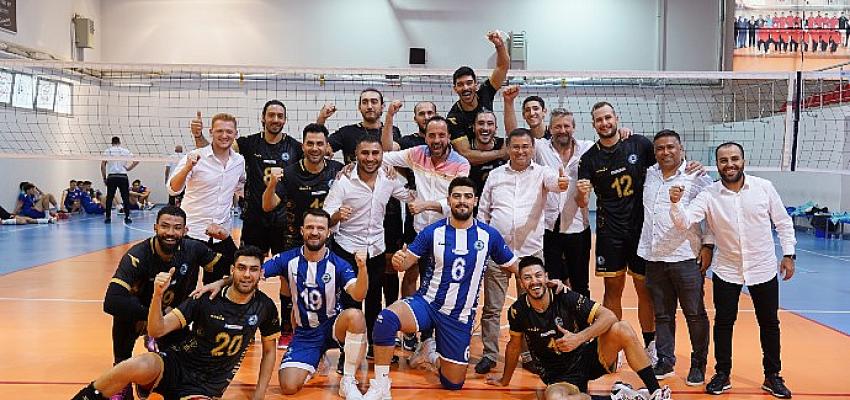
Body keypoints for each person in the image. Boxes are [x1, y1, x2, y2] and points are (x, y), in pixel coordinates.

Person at [362, 177, 518, 399]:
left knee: (452, 383)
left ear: (475, 201)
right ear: (449, 200)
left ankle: (431, 354)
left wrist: (544, 279)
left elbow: (514, 266)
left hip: (459, 315)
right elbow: (405, 263)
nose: (462, 201)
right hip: (427, 303)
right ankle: (381, 384)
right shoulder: (432, 232)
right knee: (386, 319)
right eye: (457, 196)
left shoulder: (489, 235)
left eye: (467, 196)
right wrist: (398, 260)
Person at [670, 142, 795, 398]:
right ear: (717, 164)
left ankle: (772, 376)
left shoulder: (763, 188)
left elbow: (783, 222)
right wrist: (675, 203)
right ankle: (722, 373)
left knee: (769, 323)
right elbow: (685, 221)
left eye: (734, 159)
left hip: (762, 267)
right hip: (727, 269)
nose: (730, 164)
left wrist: (789, 254)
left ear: (743, 161)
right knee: (724, 323)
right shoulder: (709, 194)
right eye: (724, 160)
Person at [71, 246, 279, 400]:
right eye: (241, 268)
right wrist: (157, 295)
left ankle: (151, 389)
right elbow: (156, 330)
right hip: (175, 364)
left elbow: (270, 351)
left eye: (253, 269)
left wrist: (259, 394)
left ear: (261, 273)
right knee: (135, 364)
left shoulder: (265, 307)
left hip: (206, 386)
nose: (247, 274)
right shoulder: (206, 298)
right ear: (232, 270)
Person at [485, 257, 672, 400]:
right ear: (521, 283)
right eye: (527, 277)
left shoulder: (563, 295)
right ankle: (616, 397)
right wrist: (504, 380)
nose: (534, 281)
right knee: (555, 399)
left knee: (622, 328)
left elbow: (609, 316)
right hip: (558, 376)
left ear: (546, 277)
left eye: (538, 275)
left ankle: (656, 392)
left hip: (587, 359)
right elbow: (514, 346)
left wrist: (578, 338)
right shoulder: (518, 311)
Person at [101, 205, 235, 399]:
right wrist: (154, 315)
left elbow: (233, 266)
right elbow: (111, 301)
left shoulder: (193, 248)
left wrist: (226, 239)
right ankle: (122, 375)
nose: (170, 233)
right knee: (122, 315)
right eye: (165, 226)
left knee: (180, 365)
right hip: (140, 315)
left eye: (177, 228)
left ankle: (150, 380)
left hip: (172, 319)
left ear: (185, 230)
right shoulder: (137, 255)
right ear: (155, 227)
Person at [476, 128, 568, 374]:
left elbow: (555, 183)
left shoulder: (543, 173)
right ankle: (489, 355)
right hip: (498, 253)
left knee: (532, 307)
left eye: (525, 146)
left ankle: (530, 355)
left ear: (532, 148)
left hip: (530, 254)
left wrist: (561, 184)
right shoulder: (495, 176)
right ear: (508, 148)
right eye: (515, 146)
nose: (520, 151)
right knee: (492, 308)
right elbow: (483, 211)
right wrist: (484, 245)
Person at [324, 134, 418, 366]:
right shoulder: (343, 181)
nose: (370, 158)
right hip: (347, 249)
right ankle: (347, 355)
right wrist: (337, 215)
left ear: (382, 156)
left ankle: (376, 349)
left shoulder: (388, 178)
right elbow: (326, 216)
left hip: (375, 249)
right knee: (351, 305)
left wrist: (417, 176)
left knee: (375, 302)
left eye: (375, 153)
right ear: (356, 155)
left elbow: (411, 196)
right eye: (365, 153)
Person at [263, 209, 371, 399]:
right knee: (288, 386)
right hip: (306, 334)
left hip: (333, 327)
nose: (315, 232)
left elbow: (359, 294)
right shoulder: (288, 259)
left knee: (355, 316)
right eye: (310, 227)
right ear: (302, 230)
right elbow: (255, 273)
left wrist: (362, 268)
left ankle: (348, 380)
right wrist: (222, 283)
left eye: (320, 228)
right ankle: (316, 359)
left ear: (328, 232)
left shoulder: (339, 264)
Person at [638, 130, 713, 386]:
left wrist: (708, 245)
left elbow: (711, 214)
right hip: (655, 256)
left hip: (686, 256)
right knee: (662, 315)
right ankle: (665, 360)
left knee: (695, 314)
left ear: (681, 149)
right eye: (660, 148)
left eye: (671, 147)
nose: (666, 152)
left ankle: (698, 364)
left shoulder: (697, 176)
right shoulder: (649, 174)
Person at [262, 123, 344, 348]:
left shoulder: (338, 170)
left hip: (326, 238)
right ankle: (287, 330)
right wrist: (272, 184)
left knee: (326, 284)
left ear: (327, 146)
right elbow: (268, 206)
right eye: (310, 143)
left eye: (320, 144)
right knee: (288, 284)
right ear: (303, 146)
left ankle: (325, 331)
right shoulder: (290, 173)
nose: (315, 148)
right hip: (294, 237)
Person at [190, 101, 304, 256]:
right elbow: (214, 151)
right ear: (263, 118)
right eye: (271, 115)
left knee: (286, 266)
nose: (276, 119)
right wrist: (198, 136)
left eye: (280, 116)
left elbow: (316, 153)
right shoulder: (249, 143)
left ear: (285, 120)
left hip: (284, 221)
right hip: (254, 219)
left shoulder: (295, 147)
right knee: (250, 263)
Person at [169, 112, 246, 282]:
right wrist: (187, 168)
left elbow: (240, 187)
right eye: (219, 131)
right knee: (184, 284)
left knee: (216, 285)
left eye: (229, 131)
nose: (224, 135)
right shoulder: (195, 156)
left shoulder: (239, 162)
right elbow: (173, 189)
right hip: (192, 232)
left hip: (219, 234)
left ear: (235, 134)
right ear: (211, 132)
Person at [534, 108, 595, 299]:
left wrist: (624, 133)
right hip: (548, 228)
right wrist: (508, 102)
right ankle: (556, 317)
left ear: (573, 128)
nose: (562, 130)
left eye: (566, 126)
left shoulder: (588, 148)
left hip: (578, 226)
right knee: (553, 282)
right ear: (550, 129)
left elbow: (611, 144)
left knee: (580, 283)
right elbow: (515, 136)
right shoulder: (540, 148)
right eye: (557, 127)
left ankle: (582, 317)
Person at [448, 31, 510, 165]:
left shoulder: (485, 92)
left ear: (476, 85)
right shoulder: (454, 118)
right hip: (471, 166)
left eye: (469, 83)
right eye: (460, 85)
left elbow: (502, 66)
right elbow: (466, 155)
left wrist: (499, 45)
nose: (465, 88)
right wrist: (500, 153)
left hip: (490, 151)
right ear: (455, 89)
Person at [101, 136, 138, 224]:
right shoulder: (125, 151)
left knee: (110, 198)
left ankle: (108, 218)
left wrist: (104, 178)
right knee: (125, 198)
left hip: (112, 176)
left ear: (112, 143)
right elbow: (136, 161)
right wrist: (129, 168)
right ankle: (127, 217)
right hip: (123, 176)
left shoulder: (108, 151)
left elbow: (102, 166)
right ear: (119, 142)